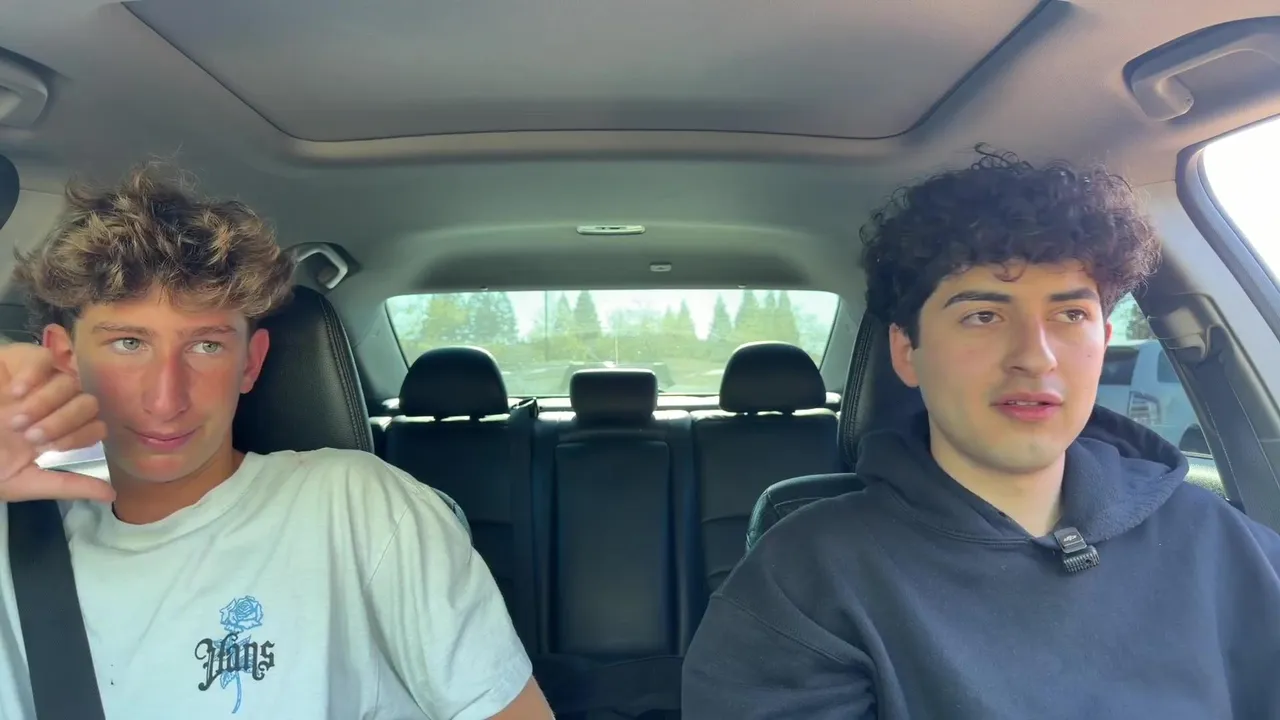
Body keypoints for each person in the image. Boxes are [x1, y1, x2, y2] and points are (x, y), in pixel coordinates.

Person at [682, 148, 1280, 718]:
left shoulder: (1225, 544)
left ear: (1103, 339)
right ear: (907, 351)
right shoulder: (805, 582)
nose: (1036, 357)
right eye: (984, 315)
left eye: (1070, 314)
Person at [0, 167, 554, 719]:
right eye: (128, 343)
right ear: (65, 358)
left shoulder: (357, 505)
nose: (166, 400)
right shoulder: (16, 539)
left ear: (251, 362)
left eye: (207, 346)